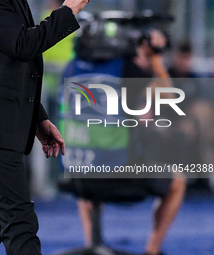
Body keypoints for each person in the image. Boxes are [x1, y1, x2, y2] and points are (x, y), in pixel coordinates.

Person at [0, 0, 89, 254]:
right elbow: (23, 45)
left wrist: (37, 118)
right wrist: (68, 11)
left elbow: (7, 64)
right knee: (20, 223)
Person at [62, 18, 186, 255]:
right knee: (177, 181)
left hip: (75, 176)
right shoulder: (124, 69)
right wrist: (155, 58)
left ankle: (93, 243)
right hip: (119, 177)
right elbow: (170, 101)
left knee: (90, 168)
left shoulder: (71, 68)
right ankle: (152, 250)